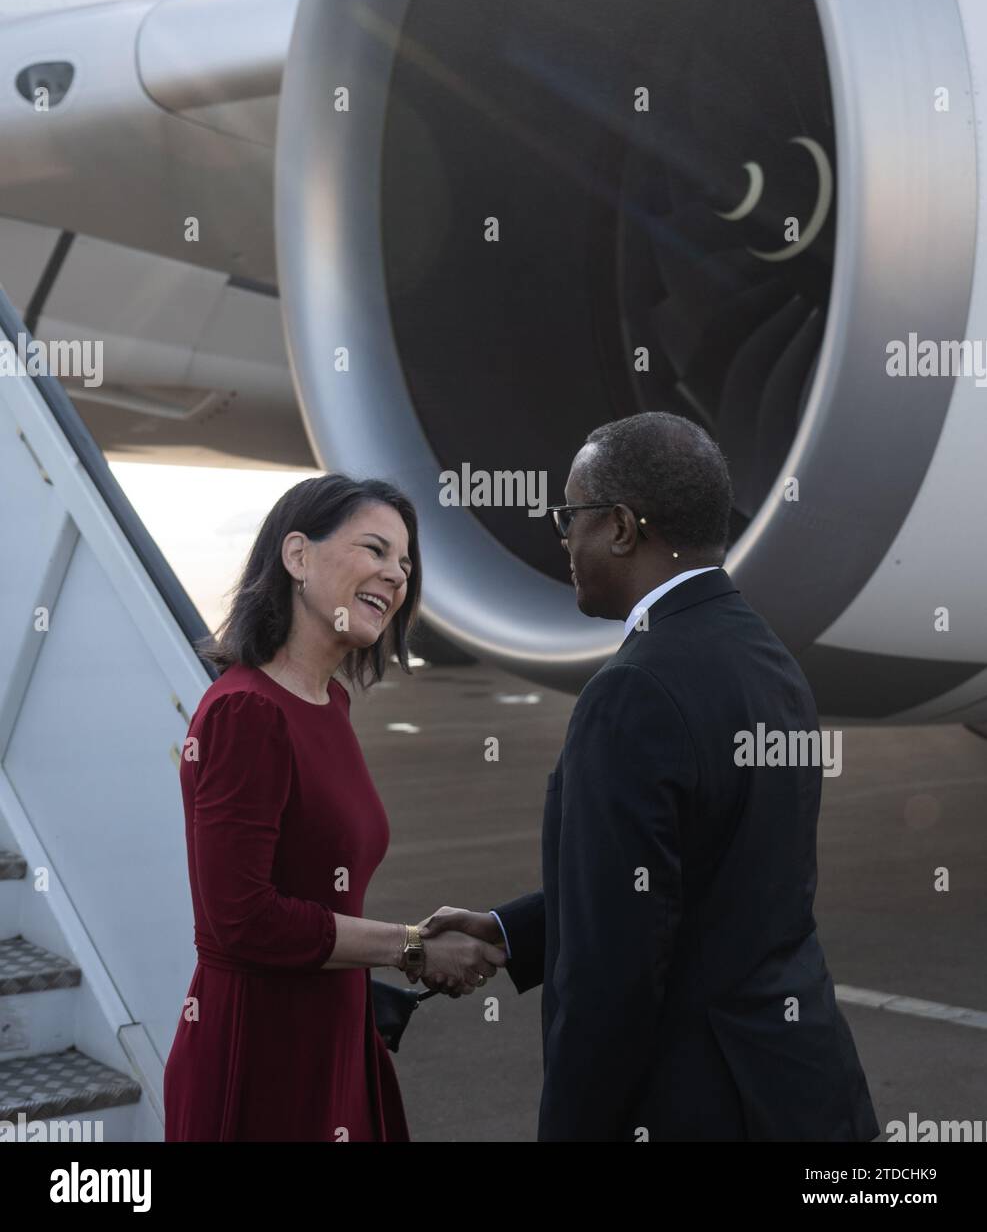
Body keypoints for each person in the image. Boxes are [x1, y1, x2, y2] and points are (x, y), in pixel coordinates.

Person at [421, 412, 879, 1142]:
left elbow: (614, 972)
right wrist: (514, 930)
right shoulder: (767, 660)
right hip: (801, 1086)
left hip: (698, 1103)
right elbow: (703, 874)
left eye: (570, 517)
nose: (564, 539)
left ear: (622, 529)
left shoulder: (634, 689)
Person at [163, 474, 504, 1142]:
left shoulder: (328, 702)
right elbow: (242, 922)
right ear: (297, 557)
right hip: (262, 1051)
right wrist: (408, 946)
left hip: (331, 1031)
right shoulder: (246, 712)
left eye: (404, 563)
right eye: (374, 549)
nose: (396, 575)